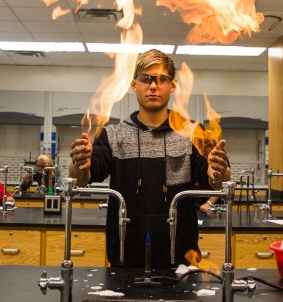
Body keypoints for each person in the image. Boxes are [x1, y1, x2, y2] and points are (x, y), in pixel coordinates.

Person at [69, 49, 231, 268]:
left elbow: (217, 181)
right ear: (134, 85)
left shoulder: (193, 133)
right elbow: (82, 178)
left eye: (161, 79)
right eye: (145, 79)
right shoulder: (113, 136)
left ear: (172, 86)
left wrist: (219, 174)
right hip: (125, 259)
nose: (153, 86)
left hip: (181, 261)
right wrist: (79, 164)